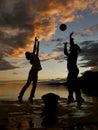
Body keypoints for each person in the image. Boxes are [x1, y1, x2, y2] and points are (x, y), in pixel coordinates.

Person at [18, 37, 42, 104]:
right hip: (33, 72)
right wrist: (37, 43)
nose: (31, 52)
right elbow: (36, 49)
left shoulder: (33, 56)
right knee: (30, 84)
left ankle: (28, 97)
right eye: (30, 52)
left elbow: (35, 49)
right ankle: (23, 96)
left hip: (34, 71)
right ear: (30, 55)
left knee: (32, 85)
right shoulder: (34, 57)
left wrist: (36, 42)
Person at [64, 32, 84, 107]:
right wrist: (65, 45)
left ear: (73, 48)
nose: (70, 48)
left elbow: (72, 45)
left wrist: (70, 38)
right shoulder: (70, 54)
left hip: (73, 70)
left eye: (70, 47)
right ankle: (77, 98)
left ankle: (72, 97)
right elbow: (65, 52)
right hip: (73, 70)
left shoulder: (74, 53)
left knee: (71, 84)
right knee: (72, 84)